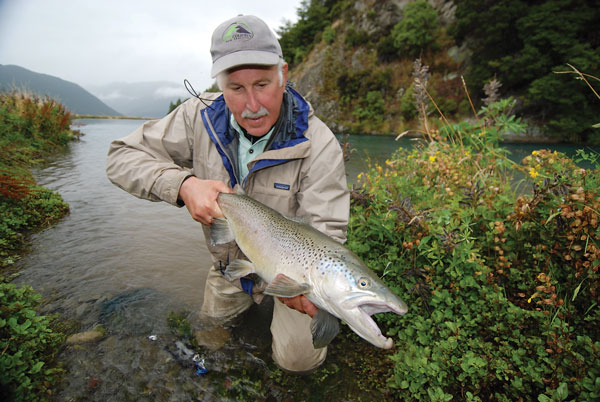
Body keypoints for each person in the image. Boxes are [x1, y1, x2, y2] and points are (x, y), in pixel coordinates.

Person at [106, 14, 349, 373]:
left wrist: (311, 289)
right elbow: (121, 157)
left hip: (292, 277)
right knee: (211, 335)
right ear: (220, 85)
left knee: (298, 362)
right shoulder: (197, 117)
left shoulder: (319, 143)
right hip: (230, 268)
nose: (252, 104)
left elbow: (326, 233)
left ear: (283, 74)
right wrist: (184, 185)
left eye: (263, 84)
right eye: (236, 88)